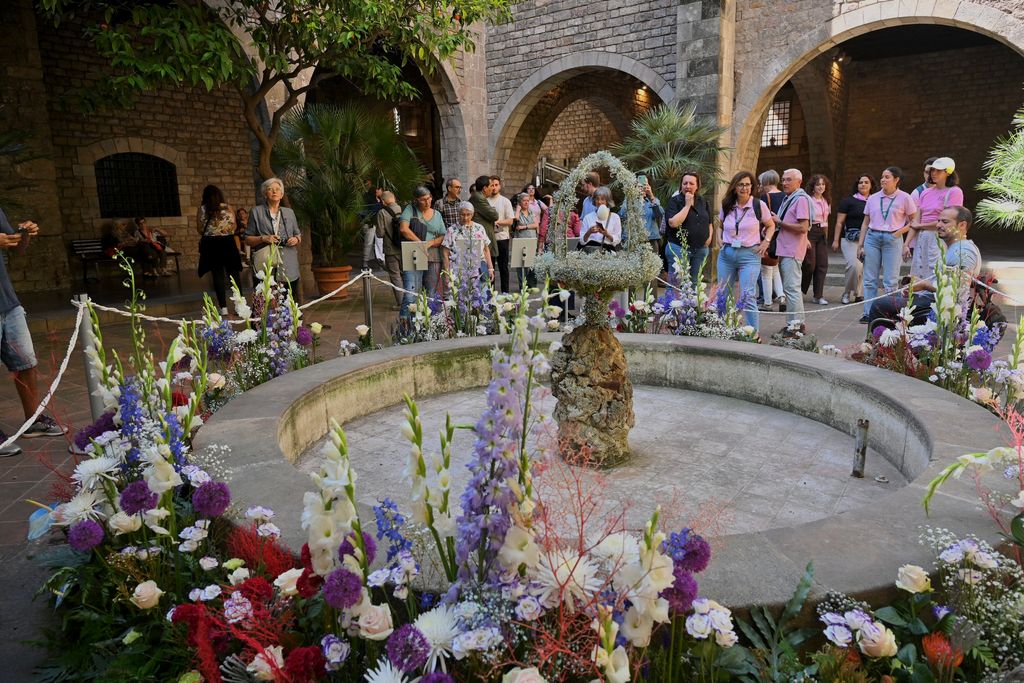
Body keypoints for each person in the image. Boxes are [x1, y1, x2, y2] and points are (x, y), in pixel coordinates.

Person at [0, 209, 67, 457]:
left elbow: (15, 248)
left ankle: (33, 422)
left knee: (26, 363)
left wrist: (23, 234)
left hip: (8, 302)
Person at [868, 206, 980, 323]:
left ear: (962, 225)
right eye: (938, 221)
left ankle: (875, 340)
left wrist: (925, 285)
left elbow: (957, 292)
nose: (938, 225)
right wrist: (919, 282)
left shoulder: (963, 251)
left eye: (945, 222)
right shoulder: (956, 248)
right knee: (891, 296)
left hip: (942, 308)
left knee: (879, 304)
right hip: (934, 300)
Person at [716, 171, 775, 333]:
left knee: (747, 295)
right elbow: (720, 226)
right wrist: (719, 239)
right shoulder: (727, 204)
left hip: (749, 255)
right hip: (726, 254)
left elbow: (770, 225)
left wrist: (766, 242)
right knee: (723, 294)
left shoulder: (758, 205)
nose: (745, 188)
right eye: (741, 184)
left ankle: (751, 333)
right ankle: (722, 329)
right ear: (735, 187)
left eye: (748, 184)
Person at [856, 167, 917, 324]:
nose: (883, 179)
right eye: (882, 176)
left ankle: (889, 312)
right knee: (870, 278)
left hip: (893, 239)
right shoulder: (873, 198)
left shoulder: (905, 197)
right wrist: (860, 244)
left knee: (890, 279)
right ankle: (868, 312)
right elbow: (865, 223)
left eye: (887, 177)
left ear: (896, 180)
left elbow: (914, 221)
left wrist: (899, 233)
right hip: (872, 238)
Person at [906, 157, 964, 281]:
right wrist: (906, 244)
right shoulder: (925, 193)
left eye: (938, 171)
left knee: (936, 275)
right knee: (918, 275)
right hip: (922, 239)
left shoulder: (954, 192)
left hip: (940, 238)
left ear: (947, 172)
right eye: (932, 170)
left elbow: (948, 222)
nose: (934, 173)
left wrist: (920, 226)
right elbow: (916, 221)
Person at [244, 177, 302, 301]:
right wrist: (263, 238)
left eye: (277, 189)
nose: (274, 192)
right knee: (261, 301)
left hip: (287, 261)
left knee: (287, 301)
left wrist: (296, 239)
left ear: (281, 194)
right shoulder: (256, 212)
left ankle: (289, 320)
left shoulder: (289, 212)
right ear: (265, 193)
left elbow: (298, 234)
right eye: (270, 189)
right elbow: (247, 239)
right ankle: (260, 321)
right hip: (265, 262)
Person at [771, 168, 813, 327]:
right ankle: (794, 324)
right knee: (790, 289)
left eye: (789, 180)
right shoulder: (789, 198)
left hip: (792, 250)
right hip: (786, 248)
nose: (784, 183)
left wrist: (779, 222)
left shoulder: (800, 199)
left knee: (792, 289)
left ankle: (795, 326)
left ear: (799, 182)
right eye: (783, 179)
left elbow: (803, 227)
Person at [398, 186, 446, 313]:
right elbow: (404, 229)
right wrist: (421, 244)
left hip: (433, 256)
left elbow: (443, 235)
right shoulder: (410, 209)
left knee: (431, 293)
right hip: (413, 254)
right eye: (423, 199)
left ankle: (429, 324)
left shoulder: (437, 214)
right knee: (410, 294)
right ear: (416, 200)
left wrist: (430, 243)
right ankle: (406, 326)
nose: (427, 201)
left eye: (429, 198)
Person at [197, 184, 242, 313]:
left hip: (212, 244)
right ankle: (239, 306)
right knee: (234, 275)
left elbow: (199, 229)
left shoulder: (202, 209)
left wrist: (212, 230)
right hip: (228, 243)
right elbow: (234, 226)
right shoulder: (228, 208)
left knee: (217, 276)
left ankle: (223, 308)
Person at [832, 174, 874, 305]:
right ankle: (847, 292)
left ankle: (858, 294)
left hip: (869, 239)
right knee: (854, 265)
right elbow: (839, 222)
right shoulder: (848, 201)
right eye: (860, 182)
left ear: (871, 185)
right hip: (850, 239)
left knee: (861, 267)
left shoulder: (875, 201)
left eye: (866, 182)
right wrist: (835, 240)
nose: (863, 184)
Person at [665, 171, 712, 285]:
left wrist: (709, 238)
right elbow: (673, 223)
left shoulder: (703, 201)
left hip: (700, 249)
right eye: (685, 183)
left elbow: (709, 223)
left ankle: (692, 304)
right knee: (676, 284)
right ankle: (672, 303)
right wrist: (687, 205)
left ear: (697, 186)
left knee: (695, 283)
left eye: (691, 183)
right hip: (678, 248)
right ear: (681, 185)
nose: (688, 186)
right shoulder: (674, 201)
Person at [442, 201, 494, 285]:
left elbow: (485, 249)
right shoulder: (451, 230)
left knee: (481, 296)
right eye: (462, 214)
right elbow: (445, 253)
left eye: (468, 214)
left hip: (479, 269)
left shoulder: (479, 228)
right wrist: (447, 274)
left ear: (472, 214)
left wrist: (490, 268)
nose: (465, 218)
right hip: (458, 270)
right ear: (458, 214)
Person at [758, 170, 786, 312]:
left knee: (766, 271)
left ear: (766, 182)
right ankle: (781, 296)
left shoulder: (764, 197)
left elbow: (762, 219)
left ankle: (768, 302)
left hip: (768, 237)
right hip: (782, 237)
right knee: (774, 268)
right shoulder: (785, 196)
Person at [801, 174, 832, 305]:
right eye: (818, 184)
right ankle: (799, 288)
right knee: (810, 264)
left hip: (822, 233)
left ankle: (818, 296)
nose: (821, 187)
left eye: (823, 184)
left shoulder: (827, 200)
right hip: (810, 231)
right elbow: (805, 220)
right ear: (813, 186)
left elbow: (826, 220)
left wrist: (826, 236)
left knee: (822, 264)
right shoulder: (808, 200)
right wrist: (805, 238)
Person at [374, 190, 404, 308]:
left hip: (390, 249)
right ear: (394, 198)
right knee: (405, 274)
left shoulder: (382, 212)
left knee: (395, 275)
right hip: (404, 248)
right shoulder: (403, 209)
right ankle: (410, 300)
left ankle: (401, 303)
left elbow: (380, 233)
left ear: (383, 201)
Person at [487, 176, 515, 293]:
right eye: (492, 185)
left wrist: (497, 222)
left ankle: (505, 293)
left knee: (503, 267)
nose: (494, 187)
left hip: (502, 238)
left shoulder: (505, 201)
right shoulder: (485, 200)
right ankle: (490, 294)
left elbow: (510, 221)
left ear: (500, 186)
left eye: (496, 185)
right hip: (488, 239)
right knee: (490, 267)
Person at [513, 192, 539, 290]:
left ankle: (530, 285)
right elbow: (516, 220)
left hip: (532, 240)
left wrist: (524, 227)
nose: (526, 202)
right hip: (520, 240)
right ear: (520, 202)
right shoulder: (517, 213)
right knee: (520, 265)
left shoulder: (532, 212)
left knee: (531, 263)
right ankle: (522, 286)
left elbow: (536, 225)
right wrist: (518, 210)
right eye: (524, 200)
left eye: (528, 201)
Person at [469, 176, 499, 248]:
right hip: (481, 239)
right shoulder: (479, 198)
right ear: (485, 188)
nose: (493, 188)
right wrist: (493, 209)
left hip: (482, 237)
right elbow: (495, 216)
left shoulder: (479, 197)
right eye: (491, 186)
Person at [359, 181, 382, 271]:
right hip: (369, 223)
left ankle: (380, 260)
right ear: (377, 190)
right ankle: (365, 262)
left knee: (379, 242)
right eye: (380, 190)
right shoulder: (369, 199)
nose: (382, 191)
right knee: (368, 242)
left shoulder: (378, 199)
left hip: (377, 223)